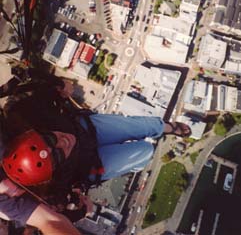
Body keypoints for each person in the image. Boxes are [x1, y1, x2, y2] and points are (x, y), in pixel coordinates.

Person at [0, 73, 191, 234]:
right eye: (56, 156)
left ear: (32, 132)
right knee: (145, 151)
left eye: (49, 138)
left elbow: (44, 89)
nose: (62, 142)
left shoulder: (25, 113)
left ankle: (168, 127)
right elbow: (53, 220)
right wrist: (78, 207)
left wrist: (59, 85)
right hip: (88, 165)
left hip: (83, 129)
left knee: (141, 126)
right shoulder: (46, 191)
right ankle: (160, 131)